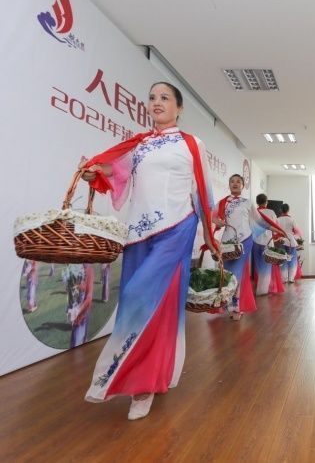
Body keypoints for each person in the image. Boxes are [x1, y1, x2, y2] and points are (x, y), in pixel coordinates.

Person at [78, 81, 218, 420]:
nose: (156, 102)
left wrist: (209, 238)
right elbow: (117, 171)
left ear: (179, 108)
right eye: (152, 97)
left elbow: (204, 191)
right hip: (138, 233)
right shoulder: (139, 145)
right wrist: (97, 170)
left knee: (146, 298)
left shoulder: (190, 143)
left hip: (176, 229)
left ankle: (143, 385)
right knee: (138, 304)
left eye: (165, 98)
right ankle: (140, 378)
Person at [213, 175, 285, 320]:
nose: (235, 184)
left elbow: (260, 221)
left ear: (243, 186)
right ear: (228, 185)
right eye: (232, 181)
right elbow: (212, 217)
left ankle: (236, 308)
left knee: (237, 273)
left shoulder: (247, 202)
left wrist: (275, 228)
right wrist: (218, 222)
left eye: (238, 182)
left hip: (244, 241)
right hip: (227, 242)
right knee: (226, 273)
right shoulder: (222, 203)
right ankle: (227, 304)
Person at [252, 194, 285, 296]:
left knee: (258, 265)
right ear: (266, 202)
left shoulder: (254, 212)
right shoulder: (271, 212)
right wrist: (278, 236)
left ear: (257, 202)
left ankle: (259, 287)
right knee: (267, 265)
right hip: (268, 241)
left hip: (255, 241)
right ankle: (264, 290)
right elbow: (275, 226)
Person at [278, 203, 303, 284]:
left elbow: (275, 232)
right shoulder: (292, 220)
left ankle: (284, 279)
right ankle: (291, 278)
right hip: (291, 241)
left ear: (281, 210)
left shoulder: (277, 220)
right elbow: (298, 232)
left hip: (281, 240)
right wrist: (295, 238)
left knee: (283, 259)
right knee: (292, 259)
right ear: (288, 210)